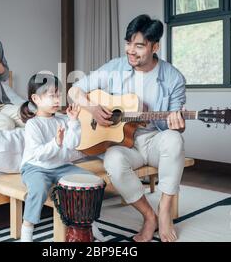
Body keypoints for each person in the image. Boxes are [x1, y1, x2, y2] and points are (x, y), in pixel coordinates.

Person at [68, 14, 186, 242]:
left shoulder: (173, 78)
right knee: (112, 160)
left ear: (155, 46)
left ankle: (164, 212)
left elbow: (174, 126)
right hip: (123, 144)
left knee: (174, 139)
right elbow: (75, 90)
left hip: (153, 139)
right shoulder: (115, 66)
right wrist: (92, 108)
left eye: (139, 45)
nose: (131, 50)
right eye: (128, 43)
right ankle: (148, 215)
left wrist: (177, 124)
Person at [19, 73, 92, 242]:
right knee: (38, 188)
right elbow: (39, 154)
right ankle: (27, 230)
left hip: (61, 166)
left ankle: (86, 225)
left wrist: (73, 122)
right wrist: (56, 143)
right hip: (35, 167)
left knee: (89, 180)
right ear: (36, 98)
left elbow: (73, 144)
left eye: (59, 95)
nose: (57, 100)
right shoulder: (33, 124)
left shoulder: (63, 119)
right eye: (52, 96)